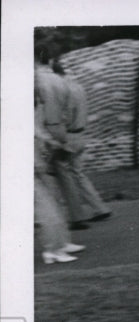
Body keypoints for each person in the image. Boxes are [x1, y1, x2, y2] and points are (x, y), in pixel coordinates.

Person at [51, 58, 113, 229]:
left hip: (68, 136)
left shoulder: (61, 89)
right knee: (78, 173)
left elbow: (64, 116)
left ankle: (76, 216)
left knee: (64, 175)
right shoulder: (77, 86)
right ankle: (99, 208)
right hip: (81, 133)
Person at [34, 87, 84, 264]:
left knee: (54, 203)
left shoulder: (31, 114)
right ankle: (52, 251)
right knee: (46, 210)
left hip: (37, 168)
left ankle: (61, 244)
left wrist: (52, 143)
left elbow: (38, 131)